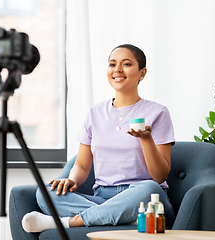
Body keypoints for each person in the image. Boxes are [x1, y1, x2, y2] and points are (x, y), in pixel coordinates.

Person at [21, 44, 176, 232]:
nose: (117, 70)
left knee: (149, 188)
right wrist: (72, 180)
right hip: (102, 196)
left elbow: (160, 176)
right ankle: (123, 218)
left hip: (145, 198)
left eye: (126, 64)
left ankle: (69, 222)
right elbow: (82, 165)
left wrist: (146, 139)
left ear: (142, 73)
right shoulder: (94, 113)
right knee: (45, 192)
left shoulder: (158, 112)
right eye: (112, 64)